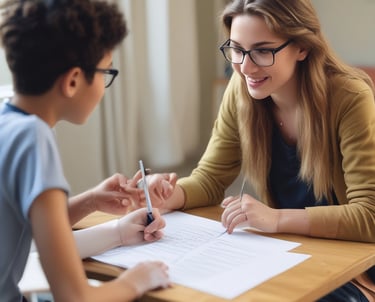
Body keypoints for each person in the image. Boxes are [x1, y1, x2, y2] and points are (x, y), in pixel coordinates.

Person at [142, 0, 375, 301]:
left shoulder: (349, 97)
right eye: (237, 49)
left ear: (302, 47)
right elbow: (209, 179)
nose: (245, 67)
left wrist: (276, 219)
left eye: (263, 51)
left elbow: (369, 216)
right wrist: (164, 196)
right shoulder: (242, 91)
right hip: (289, 253)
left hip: (355, 268)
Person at [0, 0, 171, 301]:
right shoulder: (33, 137)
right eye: (106, 72)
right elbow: (75, 297)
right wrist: (138, 279)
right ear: (74, 80)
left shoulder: (8, 121)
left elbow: (30, 224)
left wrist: (92, 201)